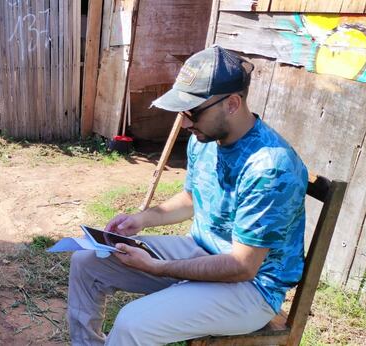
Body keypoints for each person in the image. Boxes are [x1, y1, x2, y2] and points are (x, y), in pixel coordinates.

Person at [67, 45, 309, 345]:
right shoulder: (205, 140)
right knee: (87, 261)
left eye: (192, 111)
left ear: (232, 104)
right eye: (182, 111)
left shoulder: (270, 167)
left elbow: (242, 265)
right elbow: (191, 200)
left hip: (251, 288)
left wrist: (157, 267)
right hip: (202, 251)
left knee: (132, 323)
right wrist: (140, 220)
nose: (184, 123)